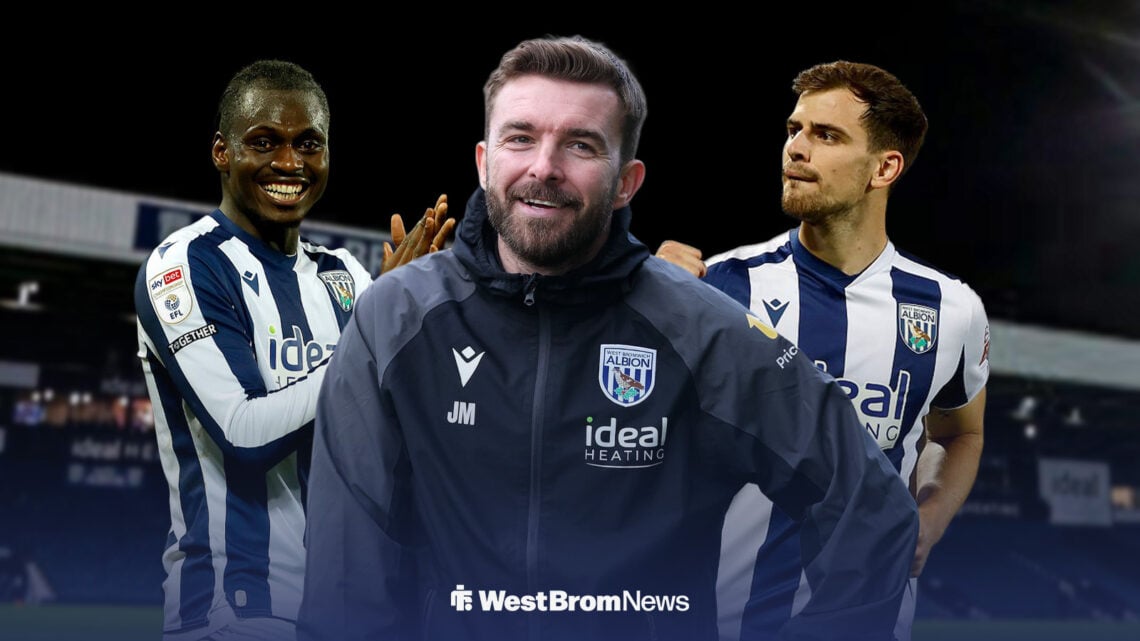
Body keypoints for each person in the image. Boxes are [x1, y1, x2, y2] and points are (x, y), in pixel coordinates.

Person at [298, 36, 918, 641]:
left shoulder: (704, 331)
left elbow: (870, 507)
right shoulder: (395, 318)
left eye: (581, 145)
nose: (544, 167)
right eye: (520, 138)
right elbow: (346, 573)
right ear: (485, 162)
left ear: (626, 181)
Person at [655, 60, 990, 641]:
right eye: (794, 130)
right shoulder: (719, 288)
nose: (796, 148)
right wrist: (638, 310)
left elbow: (960, 432)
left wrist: (930, 520)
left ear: (884, 167)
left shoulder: (951, 309)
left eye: (826, 135)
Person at [134, 59, 453, 641]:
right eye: (264, 142)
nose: (289, 162)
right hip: (236, 612)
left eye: (309, 143)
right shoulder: (185, 266)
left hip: (350, 609)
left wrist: (425, 331)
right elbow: (242, 435)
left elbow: (398, 437)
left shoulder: (346, 277)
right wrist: (374, 335)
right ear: (222, 152)